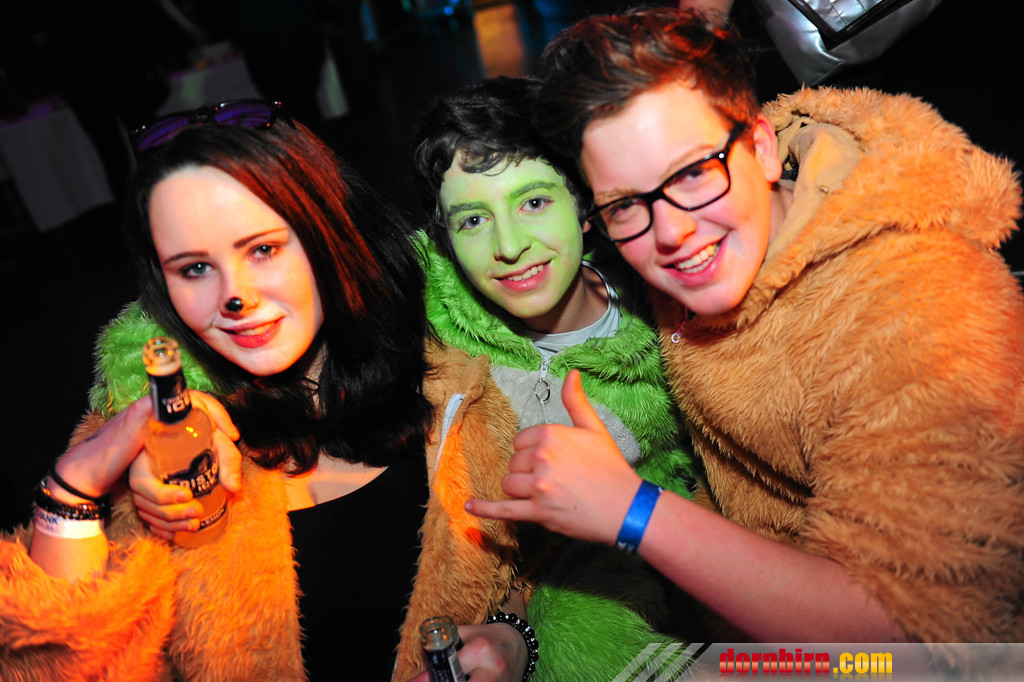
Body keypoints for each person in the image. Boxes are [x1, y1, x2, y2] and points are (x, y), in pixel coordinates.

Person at [467, 7, 1024, 643]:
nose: (672, 233)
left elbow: (909, 632)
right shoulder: (715, 243)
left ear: (761, 147)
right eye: (625, 206)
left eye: (692, 174)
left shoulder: (921, 311)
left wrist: (633, 511)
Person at [0, 100, 533, 681]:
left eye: (262, 249)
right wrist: (79, 479)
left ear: (330, 238)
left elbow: (533, 570)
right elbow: (54, 666)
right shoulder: (162, 453)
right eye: (194, 268)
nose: (236, 296)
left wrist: (513, 634)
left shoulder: (460, 389)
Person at [411, 76, 700, 678]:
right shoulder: (426, 293)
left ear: (586, 207)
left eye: (534, 203)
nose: (509, 246)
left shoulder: (672, 343)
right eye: (473, 219)